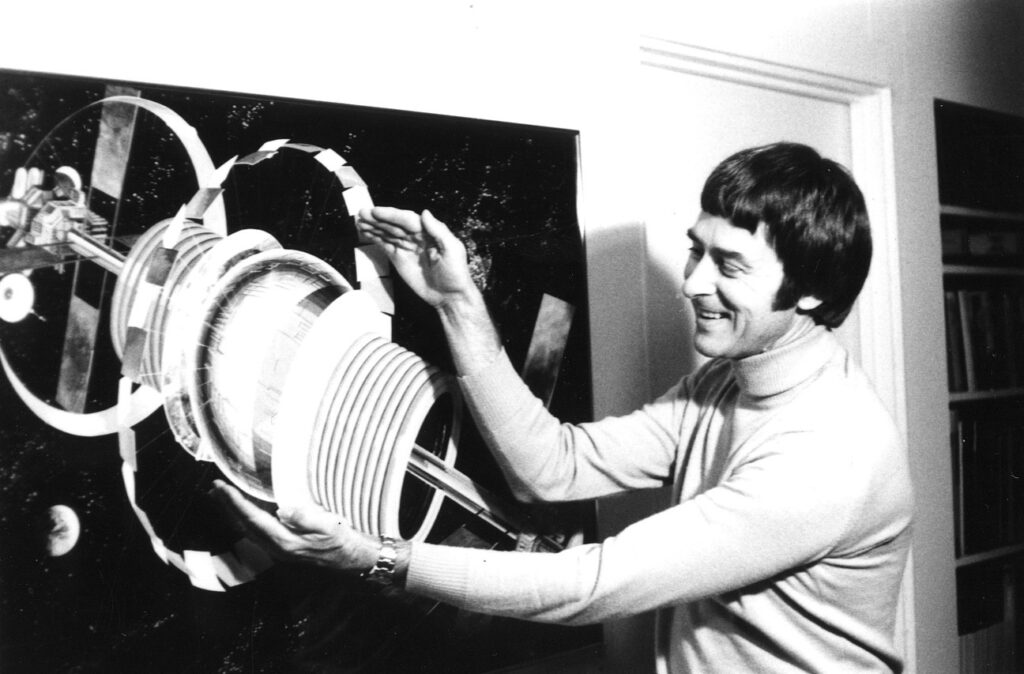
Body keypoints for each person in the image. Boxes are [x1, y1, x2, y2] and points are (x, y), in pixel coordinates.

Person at [212, 142, 913, 673]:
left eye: (728, 266)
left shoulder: (827, 455)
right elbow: (554, 468)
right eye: (695, 251)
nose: (694, 283)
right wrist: (459, 304)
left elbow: (595, 583)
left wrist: (377, 558)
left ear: (815, 290)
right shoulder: (725, 384)